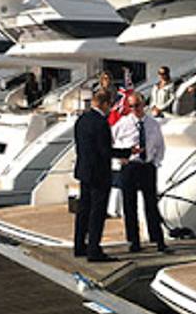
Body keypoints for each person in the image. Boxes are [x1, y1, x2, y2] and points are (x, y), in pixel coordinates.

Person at [112, 92, 167, 253]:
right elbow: (110, 141)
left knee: (151, 204)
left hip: (147, 166)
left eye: (138, 105)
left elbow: (160, 145)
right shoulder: (123, 123)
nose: (135, 109)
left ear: (143, 105)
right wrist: (120, 157)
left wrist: (155, 162)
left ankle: (157, 239)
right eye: (132, 106)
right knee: (130, 206)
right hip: (130, 167)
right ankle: (134, 241)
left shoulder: (153, 124)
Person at [73, 90, 116, 262]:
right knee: (97, 212)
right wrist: (126, 152)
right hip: (99, 173)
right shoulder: (101, 123)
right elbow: (105, 151)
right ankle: (93, 249)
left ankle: (79, 245)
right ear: (105, 104)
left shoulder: (82, 120)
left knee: (83, 210)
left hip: (84, 170)